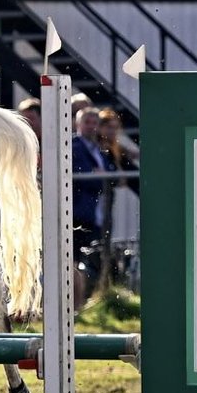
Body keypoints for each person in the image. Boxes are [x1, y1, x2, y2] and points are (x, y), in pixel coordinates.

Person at [71, 106, 116, 308]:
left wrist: (100, 175)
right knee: (74, 261)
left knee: (91, 260)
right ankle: (76, 304)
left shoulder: (97, 149)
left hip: (95, 214)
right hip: (78, 214)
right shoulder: (74, 146)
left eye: (94, 123)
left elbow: (109, 175)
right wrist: (98, 176)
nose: (90, 127)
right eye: (86, 122)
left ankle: (87, 303)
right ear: (77, 124)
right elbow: (86, 179)